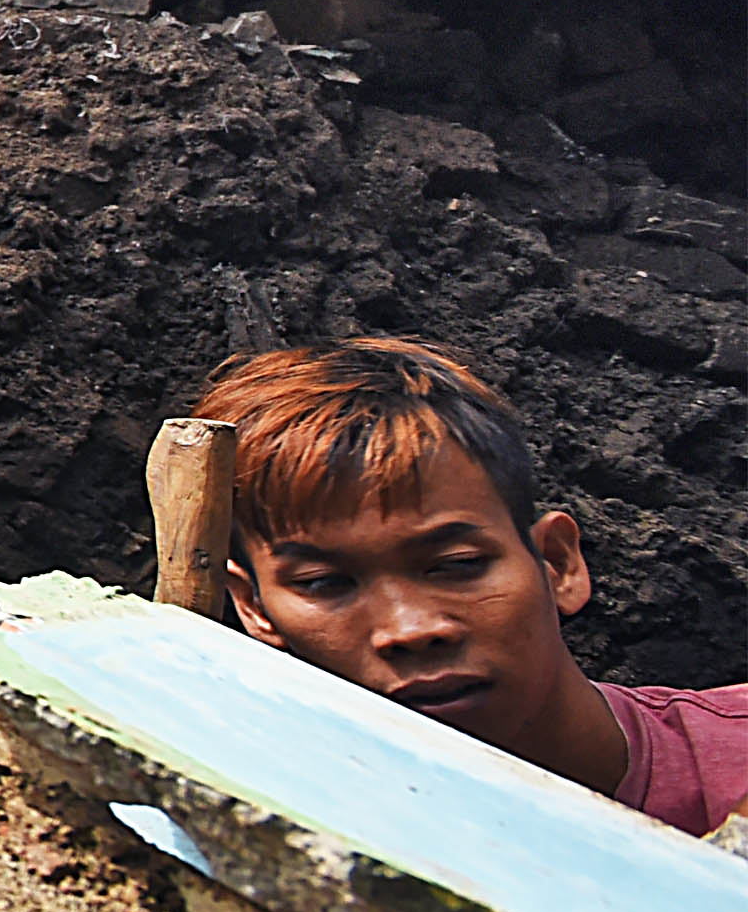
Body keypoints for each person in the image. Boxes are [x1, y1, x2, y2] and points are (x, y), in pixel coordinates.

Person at [202, 336, 748, 836]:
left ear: (558, 564)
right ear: (255, 609)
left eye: (456, 565)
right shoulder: (228, 832)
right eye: (324, 583)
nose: (411, 630)